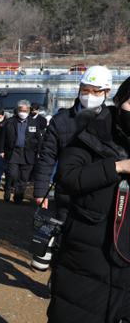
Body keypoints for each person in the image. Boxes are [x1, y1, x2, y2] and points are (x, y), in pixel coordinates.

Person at [44, 76, 130, 323]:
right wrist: (117, 167)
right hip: (87, 252)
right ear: (118, 101)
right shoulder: (91, 134)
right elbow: (68, 177)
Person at [33, 66, 113, 221]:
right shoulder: (61, 120)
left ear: (107, 92)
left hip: (99, 193)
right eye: (85, 90)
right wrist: (41, 189)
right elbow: (47, 156)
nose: (89, 95)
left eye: (96, 91)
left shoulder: (113, 120)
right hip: (67, 191)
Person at [0, 99, 44, 204]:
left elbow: (39, 138)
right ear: (17, 110)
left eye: (25, 110)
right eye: (21, 110)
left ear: (29, 110)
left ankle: (18, 197)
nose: (23, 112)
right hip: (13, 152)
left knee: (24, 178)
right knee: (13, 174)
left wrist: (39, 151)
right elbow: (3, 137)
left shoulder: (34, 122)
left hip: (28, 153)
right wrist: (1, 150)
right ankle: (8, 188)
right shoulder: (9, 122)